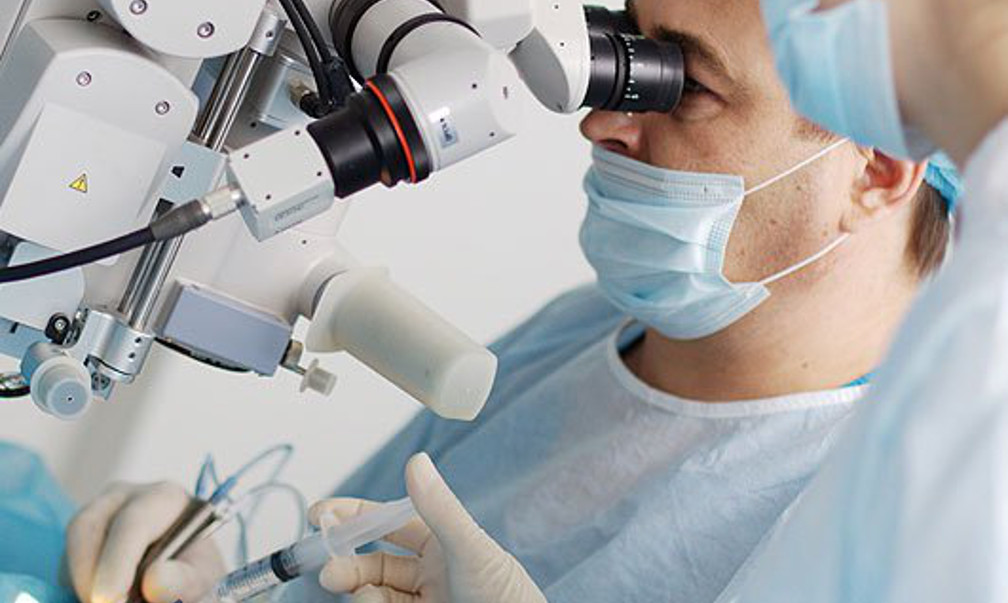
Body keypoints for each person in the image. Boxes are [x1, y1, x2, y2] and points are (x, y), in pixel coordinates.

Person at [64, 0, 964, 602]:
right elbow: (335, 563)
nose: (604, 122)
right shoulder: (581, 332)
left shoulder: (914, 524)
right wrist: (218, 576)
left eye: (684, 87)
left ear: (878, 169)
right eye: (629, 56)